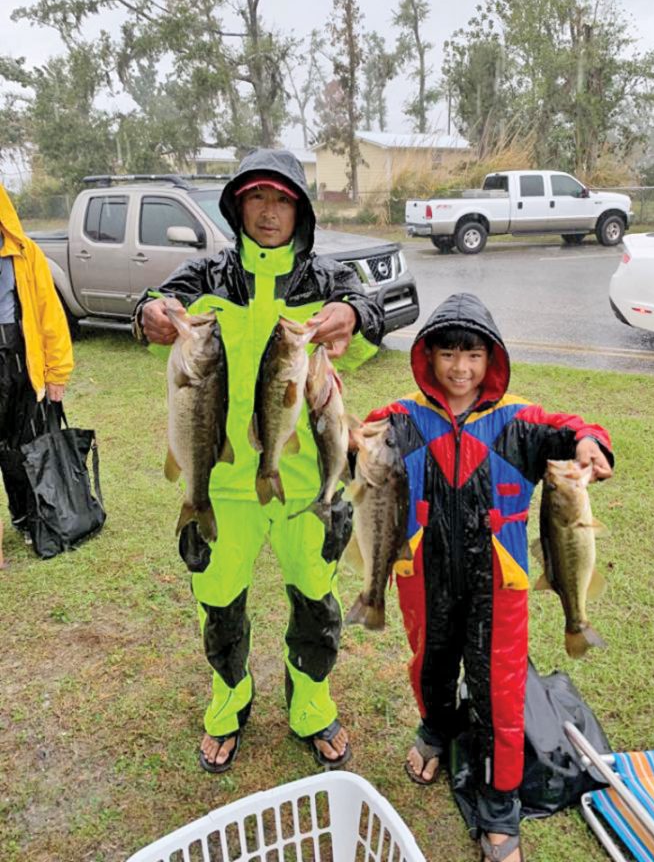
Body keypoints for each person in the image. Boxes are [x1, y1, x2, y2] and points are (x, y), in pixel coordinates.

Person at [133, 149, 383, 773]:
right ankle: (228, 703)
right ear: (238, 206)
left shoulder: (326, 279)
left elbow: (374, 315)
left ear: (300, 209)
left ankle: (312, 707)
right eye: (256, 199)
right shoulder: (209, 273)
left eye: (282, 200)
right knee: (218, 601)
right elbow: (154, 300)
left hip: (308, 483)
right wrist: (150, 314)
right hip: (220, 486)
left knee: (315, 602)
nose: (269, 213)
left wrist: (353, 315)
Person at [364, 293, 613, 862]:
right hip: (421, 576)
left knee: (499, 691)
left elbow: (572, 428)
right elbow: (354, 437)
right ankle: (436, 729)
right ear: (428, 358)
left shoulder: (520, 420)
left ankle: (500, 805)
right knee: (429, 663)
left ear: (491, 358)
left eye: (472, 355)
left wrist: (589, 443)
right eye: (447, 354)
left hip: (498, 585)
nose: (459, 368)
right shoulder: (402, 418)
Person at [0, 186, 73, 546]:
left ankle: (31, 517)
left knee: (24, 444)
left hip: (19, 360)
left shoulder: (26, 254)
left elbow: (50, 316)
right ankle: (18, 514)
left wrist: (57, 372)